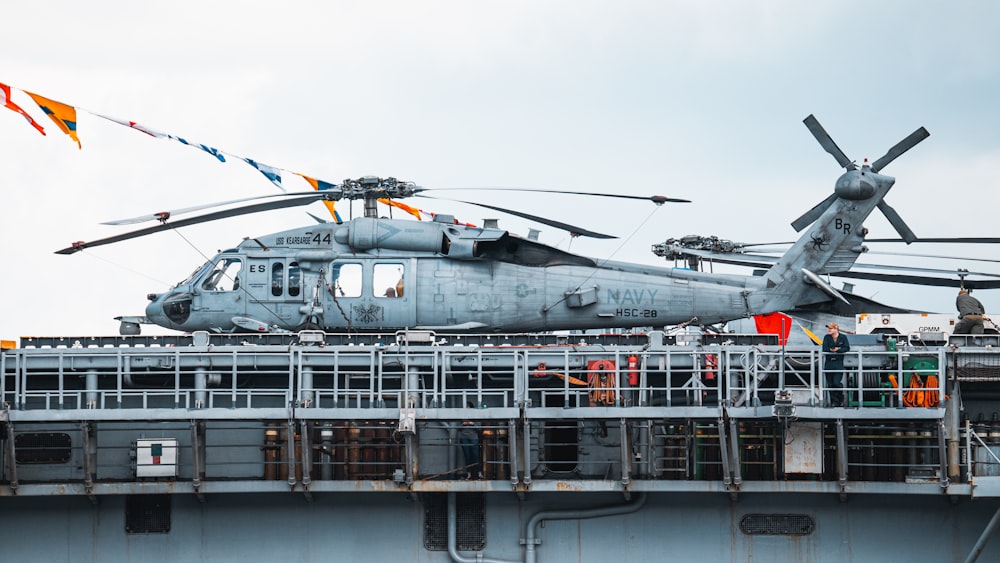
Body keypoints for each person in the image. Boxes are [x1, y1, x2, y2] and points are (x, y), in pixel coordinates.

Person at [822, 322, 850, 407]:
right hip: (829, 362)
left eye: (831, 329)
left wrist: (838, 349)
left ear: (836, 329)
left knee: (836, 382)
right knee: (830, 383)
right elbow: (824, 348)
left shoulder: (843, 337)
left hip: (838, 362)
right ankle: (834, 402)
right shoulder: (827, 337)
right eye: (829, 328)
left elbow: (847, 348)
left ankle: (840, 397)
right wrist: (831, 350)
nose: (829, 330)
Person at [459, 402, 483, 479]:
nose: (467, 410)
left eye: (468, 408)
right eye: (466, 408)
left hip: (473, 438)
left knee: (476, 456)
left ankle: (479, 473)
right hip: (464, 438)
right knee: (467, 456)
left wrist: (472, 424)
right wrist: (463, 424)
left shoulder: (475, 416)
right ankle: (469, 474)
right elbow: (457, 428)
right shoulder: (462, 417)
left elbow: (479, 428)